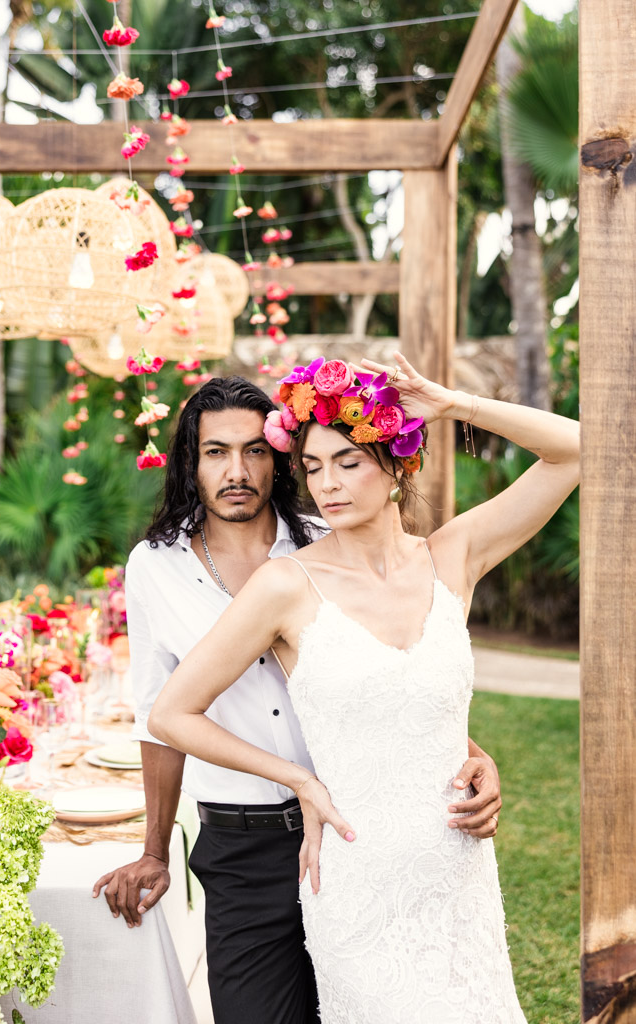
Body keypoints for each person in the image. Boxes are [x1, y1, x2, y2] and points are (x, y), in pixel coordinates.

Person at [148, 355, 580, 1024]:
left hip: (456, 870)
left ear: (395, 466)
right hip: (355, 875)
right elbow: (173, 712)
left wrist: (452, 403)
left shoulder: (449, 556)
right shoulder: (285, 584)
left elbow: (577, 450)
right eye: (313, 467)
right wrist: (300, 779)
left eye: (347, 462)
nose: (327, 485)